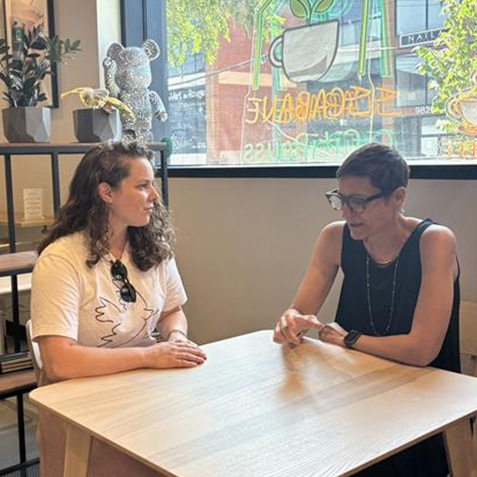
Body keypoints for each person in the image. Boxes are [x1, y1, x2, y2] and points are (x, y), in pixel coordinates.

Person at [273, 143, 459, 477]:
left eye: (359, 202)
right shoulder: (335, 238)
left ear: (398, 197)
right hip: (355, 393)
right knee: (289, 442)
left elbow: (422, 351)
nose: (346, 213)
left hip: (425, 409)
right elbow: (299, 311)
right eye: (340, 199)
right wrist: (290, 322)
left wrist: (348, 339)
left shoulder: (435, 241)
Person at [31, 141, 206, 476]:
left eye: (152, 184)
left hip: (143, 390)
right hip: (80, 405)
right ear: (106, 192)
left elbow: (172, 311)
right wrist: (150, 356)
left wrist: (176, 338)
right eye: (142, 186)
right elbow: (58, 361)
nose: (154, 196)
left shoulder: (154, 248)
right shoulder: (61, 260)